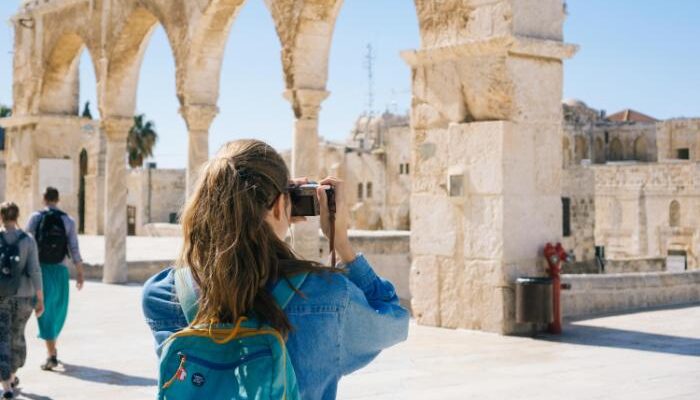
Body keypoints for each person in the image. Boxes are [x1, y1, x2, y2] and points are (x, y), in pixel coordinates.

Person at [142, 139, 409, 399]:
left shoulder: (162, 295)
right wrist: (342, 245)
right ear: (282, 204)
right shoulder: (326, 296)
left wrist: (277, 202)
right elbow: (394, 320)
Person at [26, 187, 84, 371]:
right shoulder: (68, 220)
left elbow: (27, 243)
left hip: (40, 269)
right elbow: (74, 247)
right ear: (58, 199)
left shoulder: (35, 218)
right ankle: (52, 353)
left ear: (44, 199)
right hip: (61, 270)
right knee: (58, 310)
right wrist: (80, 271)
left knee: (45, 310)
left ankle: (51, 351)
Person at [0, 202, 44, 399]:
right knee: (17, 336)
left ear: (1, 217)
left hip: (2, 297)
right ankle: (13, 375)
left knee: (2, 338)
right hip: (25, 297)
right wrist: (40, 298)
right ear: (17, 216)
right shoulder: (28, 240)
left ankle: (6, 385)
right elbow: (35, 269)